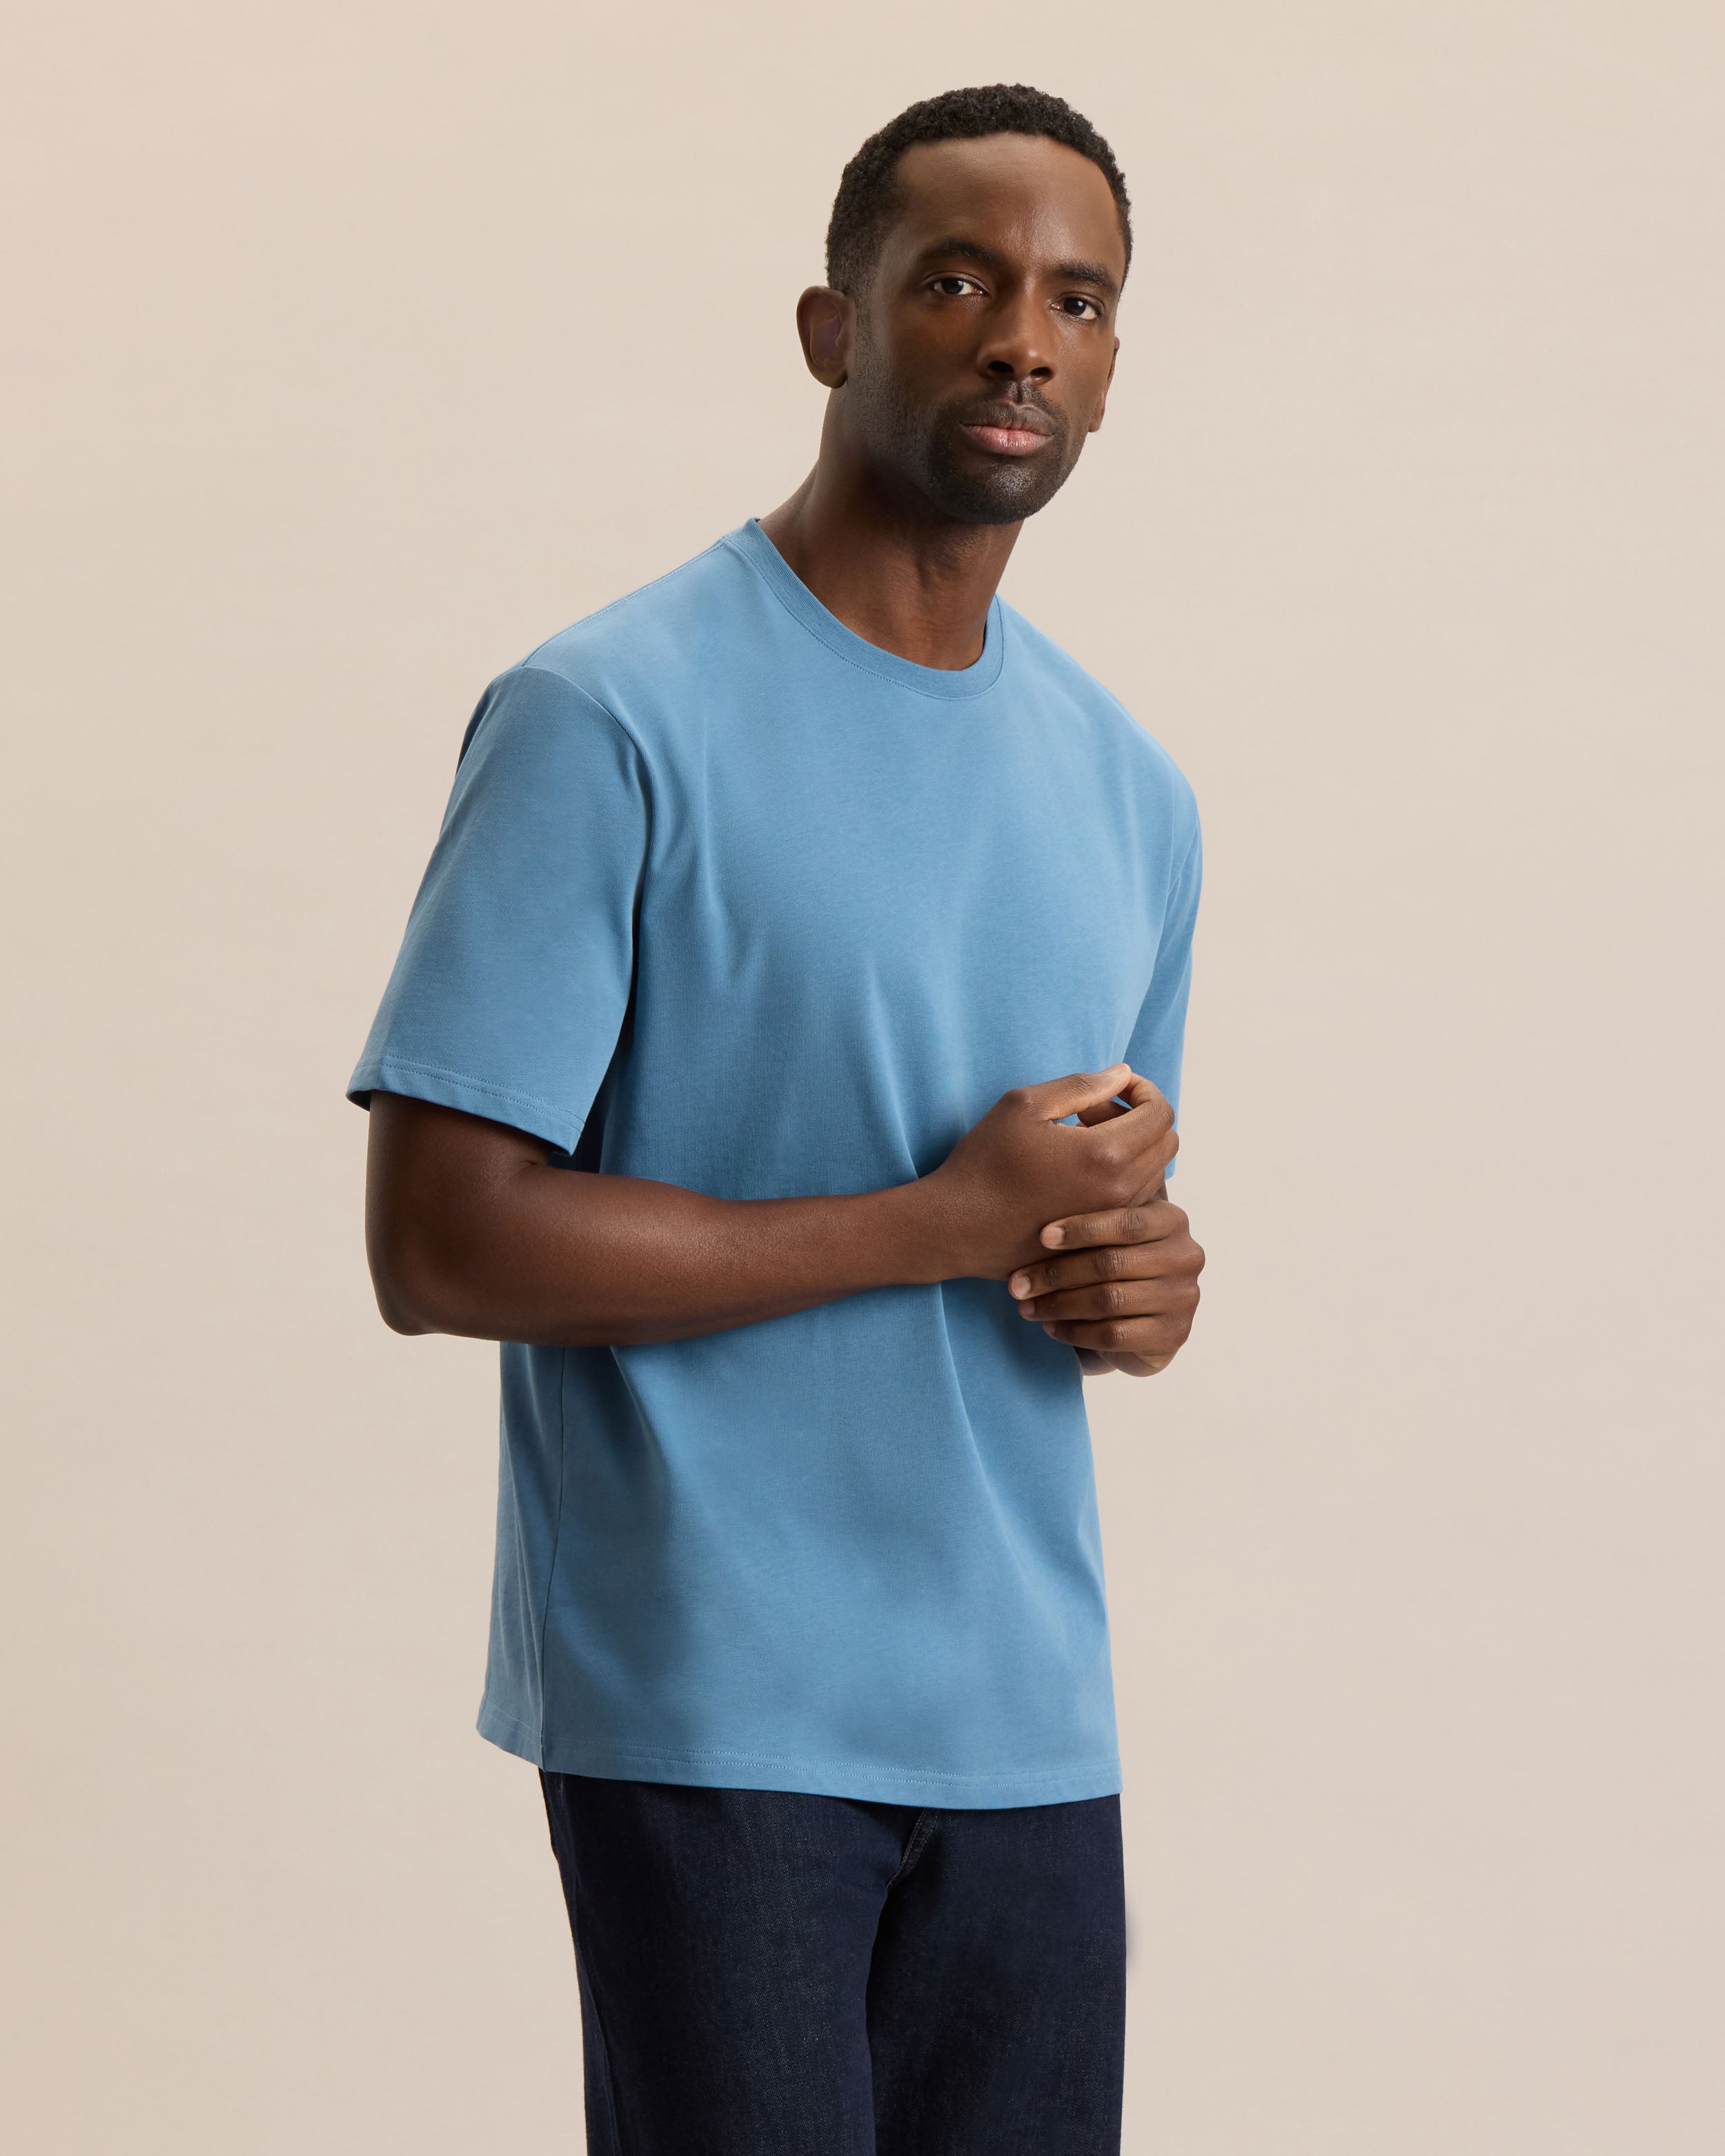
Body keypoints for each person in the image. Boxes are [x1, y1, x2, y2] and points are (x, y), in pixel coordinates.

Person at [348, 81, 1204, 2156]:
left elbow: (1083, 1224)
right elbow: (438, 1242)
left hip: (1027, 1717)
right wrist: (935, 1219)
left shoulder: (1132, 792)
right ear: (833, 328)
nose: (1022, 340)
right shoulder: (606, 716)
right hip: (712, 1702)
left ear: (1110, 361)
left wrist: (1139, 1288)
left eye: (1076, 300)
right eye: (958, 283)